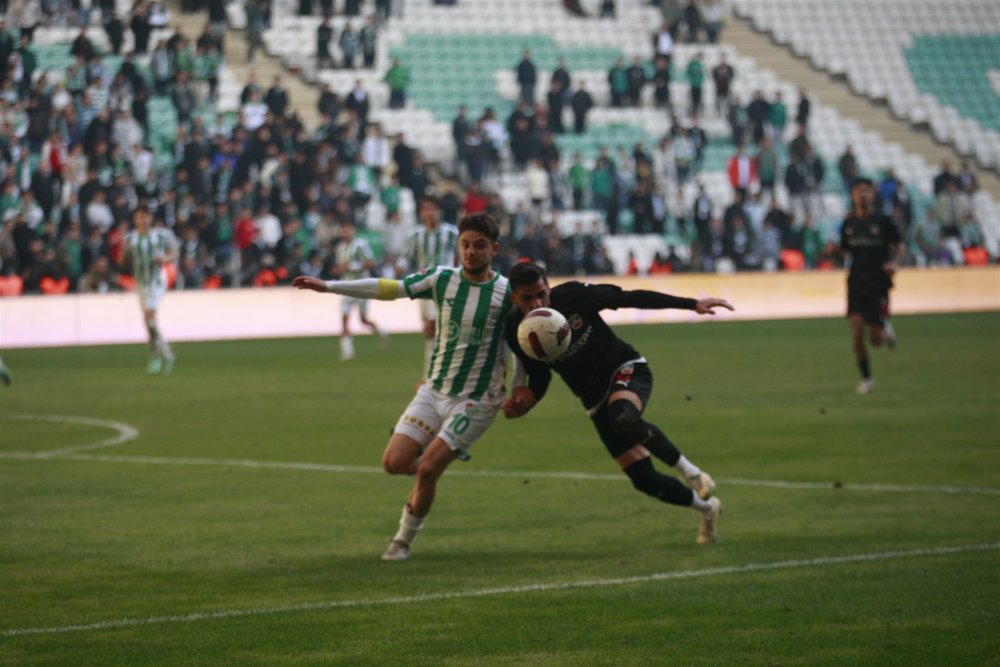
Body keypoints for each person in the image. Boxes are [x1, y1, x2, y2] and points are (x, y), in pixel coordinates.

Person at [293, 213, 514, 561]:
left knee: (426, 470)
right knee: (394, 463)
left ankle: (402, 541)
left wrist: (521, 389)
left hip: (476, 400)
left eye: (480, 246)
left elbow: (522, 346)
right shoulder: (442, 279)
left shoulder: (507, 293)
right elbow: (388, 288)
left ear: (494, 249)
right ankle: (438, 456)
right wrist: (331, 285)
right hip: (433, 389)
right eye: (466, 245)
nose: (471, 252)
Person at [503, 263, 731, 544]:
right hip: (593, 399)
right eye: (528, 299)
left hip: (625, 368)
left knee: (623, 417)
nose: (537, 304)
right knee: (644, 480)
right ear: (514, 298)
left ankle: (693, 474)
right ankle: (708, 509)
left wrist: (691, 304)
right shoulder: (516, 330)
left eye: (541, 294)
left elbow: (628, 297)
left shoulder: (573, 296)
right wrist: (528, 399)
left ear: (549, 287)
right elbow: (540, 375)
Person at [839, 179, 903, 395]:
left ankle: (885, 333)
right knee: (856, 330)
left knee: (874, 339)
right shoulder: (849, 224)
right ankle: (867, 379)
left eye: (866, 191)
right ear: (854, 196)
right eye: (859, 192)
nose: (863, 195)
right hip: (856, 282)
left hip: (878, 283)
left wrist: (894, 262)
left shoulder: (883, 221)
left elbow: (899, 244)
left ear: (873, 195)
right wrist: (833, 251)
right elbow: (844, 250)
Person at [119, 205, 178, 375]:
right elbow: (122, 264)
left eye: (146, 217)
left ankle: (159, 355)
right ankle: (162, 354)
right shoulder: (130, 239)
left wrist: (165, 258)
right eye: (140, 217)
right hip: (141, 283)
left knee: (148, 316)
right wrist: (123, 255)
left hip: (158, 281)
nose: (143, 220)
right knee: (149, 321)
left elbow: (174, 251)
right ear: (135, 220)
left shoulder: (161, 235)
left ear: (150, 219)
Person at [405, 195, 460, 379]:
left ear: (440, 211)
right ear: (421, 213)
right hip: (423, 287)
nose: (430, 213)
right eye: (426, 209)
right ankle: (433, 374)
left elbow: (461, 257)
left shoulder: (452, 233)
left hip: (445, 286)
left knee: (434, 326)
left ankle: (430, 377)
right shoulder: (416, 235)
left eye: (433, 208)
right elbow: (408, 258)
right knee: (430, 332)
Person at [331, 221, 387, 360]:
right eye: (342, 230)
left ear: (353, 230)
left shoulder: (360, 245)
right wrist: (338, 270)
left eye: (347, 229)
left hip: (361, 286)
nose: (345, 233)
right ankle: (347, 351)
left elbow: (371, 262)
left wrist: (351, 266)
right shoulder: (340, 247)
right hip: (346, 286)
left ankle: (380, 331)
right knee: (344, 317)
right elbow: (341, 266)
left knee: (363, 320)